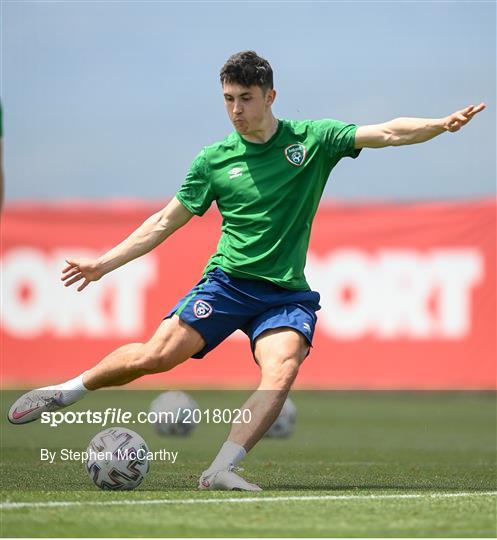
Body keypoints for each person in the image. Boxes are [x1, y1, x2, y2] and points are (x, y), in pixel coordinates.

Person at [8, 51, 485, 491]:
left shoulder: (312, 139)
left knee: (282, 369)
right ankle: (66, 391)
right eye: (228, 100)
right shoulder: (213, 161)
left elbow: (386, 132)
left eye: (246, 99)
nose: (236, 110)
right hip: (228, 284)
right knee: (156, 357)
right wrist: (102, 264)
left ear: (270, 96)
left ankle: (220, 469)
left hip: (285, 296)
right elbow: (162, 223)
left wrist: (441, 125)